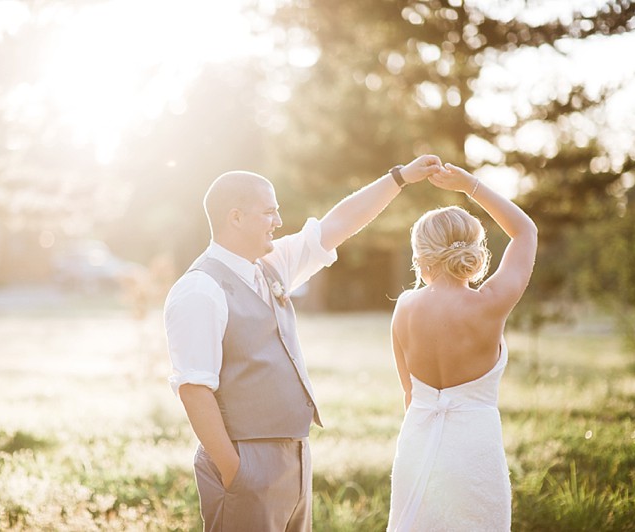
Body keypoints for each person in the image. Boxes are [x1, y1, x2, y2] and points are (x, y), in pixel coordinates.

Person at [164, 155, 442, 532]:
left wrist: (399, 178)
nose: (278, 222)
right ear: (236, 217)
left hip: (295, 456)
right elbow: (194, 390)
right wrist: (235, 472)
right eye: (269, 212)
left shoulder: (272, 264)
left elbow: (338, 224)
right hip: (246, 464)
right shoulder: (199, 289)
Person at [386, 163, 538, 532]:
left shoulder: (404, 306)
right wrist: (470, 185)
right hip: (474, 450)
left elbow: (410, 395)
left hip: (417, 445)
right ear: (474, 253)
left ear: (420, 257)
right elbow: (525, 231)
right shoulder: (490, 303)